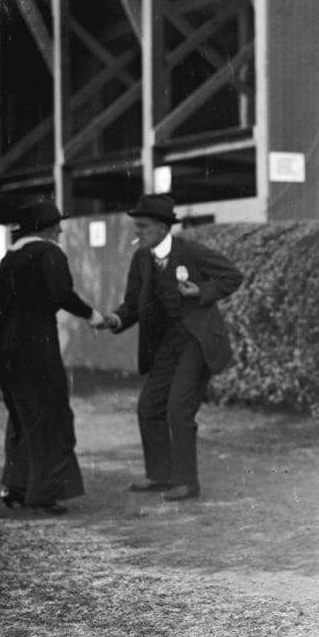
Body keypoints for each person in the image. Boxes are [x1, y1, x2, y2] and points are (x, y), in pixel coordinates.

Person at [97, 194, 243, 502]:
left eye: (143, 227)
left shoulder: (190, 251)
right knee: (149, 407)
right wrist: (115, 318)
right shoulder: (141, 258)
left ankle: (187, 482)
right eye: (136, 226)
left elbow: (232, 276)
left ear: (163, 227)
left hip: (195, 340)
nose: (137, 233)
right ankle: (161, 476)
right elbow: (134, 304)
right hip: (165, 345)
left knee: (179, 409)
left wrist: (201, 291)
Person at [0, 200, 104, 515]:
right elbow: (62, 294)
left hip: (5, 348)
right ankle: (42, 494)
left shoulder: (12, 256)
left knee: (22, 417)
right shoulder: (50, 253)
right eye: (56, 224)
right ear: (46, 229)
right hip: (36, 347)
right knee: (51, 417)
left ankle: (15, 487)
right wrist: (93, 315)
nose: (61, 229)